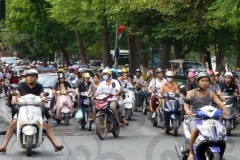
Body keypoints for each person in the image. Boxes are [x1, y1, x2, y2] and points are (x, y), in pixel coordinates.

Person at [0, 69, 64, 153]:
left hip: (36, 109)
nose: (30, 78)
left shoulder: (39, 86)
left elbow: (42, 94)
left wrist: (44, 98)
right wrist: (14, 97)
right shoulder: (22, 85)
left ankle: (56, 145)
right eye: (29, 76)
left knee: (45, 126)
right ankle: (4, 146)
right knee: (13, 124)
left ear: (36, 77)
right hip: (22, 108)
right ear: (26, 77)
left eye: (32, 76)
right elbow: (17, 93)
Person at [184, 72, 228, 160]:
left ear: (209, 82)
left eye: (207, 81)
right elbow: (186, 105)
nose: (205, 83)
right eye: (202, 81)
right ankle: (191, 153)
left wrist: (224, 109)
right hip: (195, 117)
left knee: (221, 130)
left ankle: (220, 153)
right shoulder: (191, 93)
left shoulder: (211, 93)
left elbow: (219, 103)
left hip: (209, 117)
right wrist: (188, 111)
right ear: (198, 82)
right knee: (195, 131)